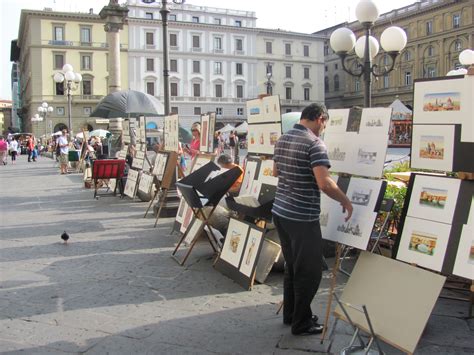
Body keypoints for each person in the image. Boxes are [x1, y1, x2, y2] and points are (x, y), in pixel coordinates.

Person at [272, 103, 353, 336]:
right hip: (302, 217)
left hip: (281, 212)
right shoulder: (315, 143)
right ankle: (302, 323)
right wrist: (345, 201)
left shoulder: (283, 138)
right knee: (309, 271)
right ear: (319, 118)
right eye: (324, 123)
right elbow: (324, 183)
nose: (324, 128)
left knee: (292, 267)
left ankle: (292, 314)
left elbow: (276, 172)